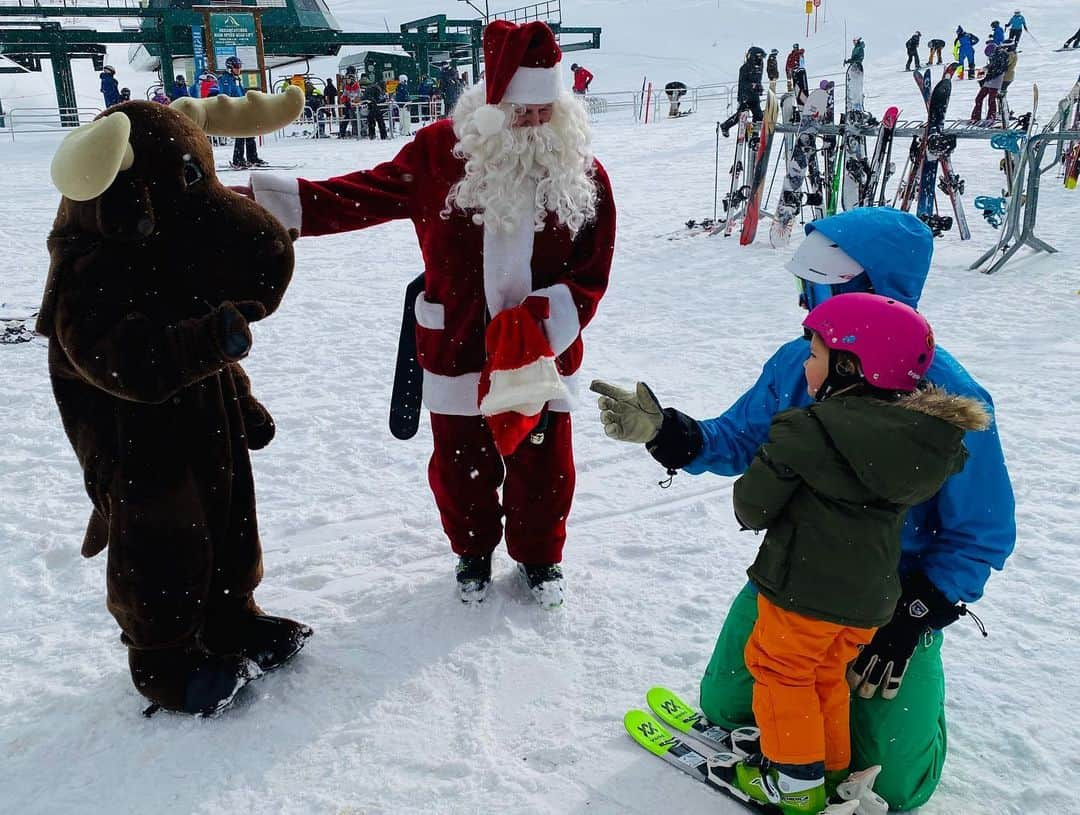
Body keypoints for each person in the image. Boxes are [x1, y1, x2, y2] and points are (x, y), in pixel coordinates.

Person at [588, 207, 1015, 811]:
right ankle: (815, 737)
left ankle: (905, 722)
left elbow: (982, 532)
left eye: (818, 285)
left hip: (890, 596)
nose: (804, 301)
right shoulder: (802, 360)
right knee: (730, 708)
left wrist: (913, 615)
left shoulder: (950, 403)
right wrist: (673, 434)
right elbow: (741, 438)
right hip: (798, 578)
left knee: (895, 785)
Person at [245, 20, 615, 608]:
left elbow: (593, 269)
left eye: (546, 111)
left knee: (543, 466)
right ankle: (472, 552)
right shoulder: (441, 153)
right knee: (461, 464)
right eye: (522, 112)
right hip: (459, 344)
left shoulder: (581, 172)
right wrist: (264, 206)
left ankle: (541, 558)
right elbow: (360, 194)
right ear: (493, 104)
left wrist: (548, 317)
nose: (536, 124)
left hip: (543, 351)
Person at [714, 293, 986, 814]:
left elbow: (752, 508)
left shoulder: (806, 430)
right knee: (824, 678)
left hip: (803, 590)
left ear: (848, 364)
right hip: (872, 601)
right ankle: (826, 767)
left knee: (778, 671)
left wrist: (770, 473)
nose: (805, 366)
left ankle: (791, 780)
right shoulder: (923, 442)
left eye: (813, 355)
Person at [219, 57, 266, 168]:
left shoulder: (236, 79)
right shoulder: (225, 79)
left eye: (240, 66)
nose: (239, 69)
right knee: (240, 135)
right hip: (235, 110)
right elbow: (226, 96)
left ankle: (252, 157)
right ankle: (238, 159)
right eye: (236, 67)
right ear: (230, 68)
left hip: (242, 109)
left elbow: (241, 93)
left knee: (250, 134)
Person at [720, 48, 765, 137]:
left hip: (754, 96)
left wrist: (759, 87)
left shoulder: (760, 66)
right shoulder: (744, 68)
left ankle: (753, 134)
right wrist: (752, 85)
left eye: (762, 57)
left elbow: (758, 79)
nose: (761, 59)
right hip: (745, 96)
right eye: (759, 57)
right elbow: (742, 83)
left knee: (759, 115)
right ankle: (725, 126)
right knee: (741, 115)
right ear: (753, 56)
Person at [972, 44, 1009, 123]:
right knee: (979, 98)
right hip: (989, 80)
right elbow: (992, 66)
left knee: (991, 99)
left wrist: (986, 77)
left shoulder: (1001, 56)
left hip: (996, 81)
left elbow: (998, 70)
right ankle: (976, 116)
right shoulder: (995, 56)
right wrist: (985, 68)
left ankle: (991, 117)